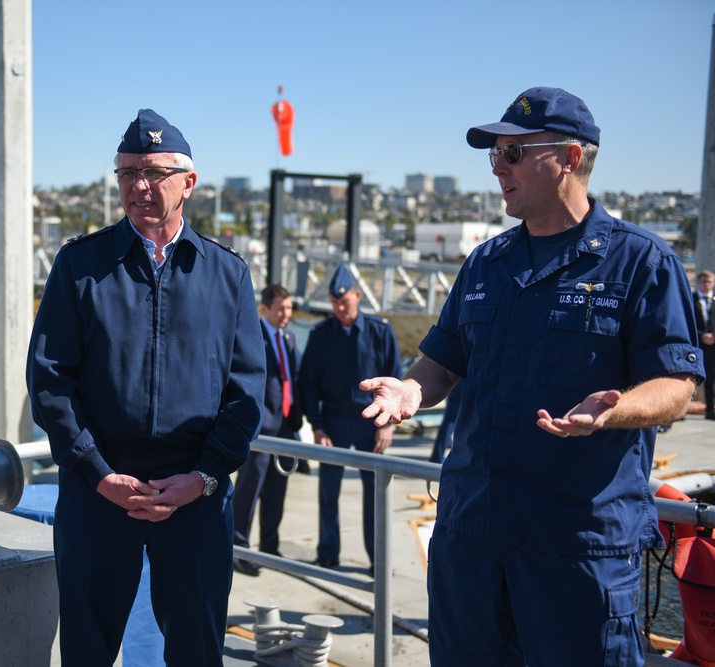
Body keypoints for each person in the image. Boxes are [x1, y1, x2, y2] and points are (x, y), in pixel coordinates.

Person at [360, 87, 705, 666]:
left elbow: (676, 385)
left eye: (514, 153)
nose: (497, 167)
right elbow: (444, 360)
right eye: (493, 154)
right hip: (471, 536)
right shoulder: (486, 263)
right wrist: (411, 389)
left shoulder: (642, 262)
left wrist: (613, 412)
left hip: (577, 546)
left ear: (571, 158)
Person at [27, 108, 264, 666]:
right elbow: (49, 381)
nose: (138, 185)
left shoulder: (228, 275)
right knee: (87, 650)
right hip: (98, 495)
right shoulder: (79, 266)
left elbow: (247, 391)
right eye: (127, 172)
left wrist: (204, 476)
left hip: (196, 500)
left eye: (154, 172)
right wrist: (97, 473)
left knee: (197, 650)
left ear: (188, 182)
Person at [299, 264, 402, 569]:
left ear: (358, 296)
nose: (340, 308)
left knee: (376, 496)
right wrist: (316, 427)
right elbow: (308, 382)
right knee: (329, 492)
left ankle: (378, 560)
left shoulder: (380, 332)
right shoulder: (321, 336)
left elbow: (395, 380)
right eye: (334, 303)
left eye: (345, 301)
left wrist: (390, 426)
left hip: (373, 423)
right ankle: (328, 553)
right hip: (333, 422)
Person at [231, 284, 303, 576]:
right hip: (260, 430)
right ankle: (240, 549)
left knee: (276, 490)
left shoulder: (288, 338)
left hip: (285, 427)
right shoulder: (252, 337)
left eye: (289, 308)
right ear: (265, 310)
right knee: (249, 489)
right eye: (281, 309)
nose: (286, 314)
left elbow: (293, 379)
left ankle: (270, 547)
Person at [695, 269, 715, 419]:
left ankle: (710, 409)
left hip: (713, 344)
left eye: (710, 282)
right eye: (704, 281)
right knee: (691, 376)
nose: (707, 285)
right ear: (699, 283)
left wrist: (713, 336)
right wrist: (702, 335)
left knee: (711, 378)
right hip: (697, 342)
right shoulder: (692, 298)